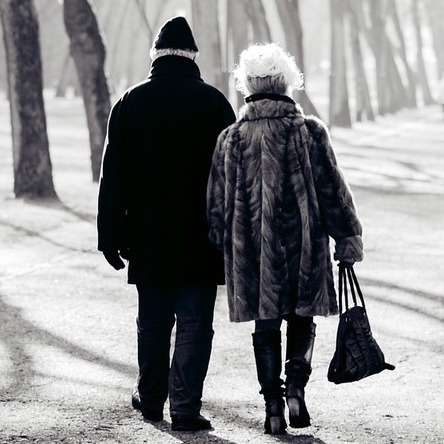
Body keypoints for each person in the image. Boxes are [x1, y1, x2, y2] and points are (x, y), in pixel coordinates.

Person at [207, 43, 363, 435]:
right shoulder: (309, 131)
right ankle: (296, 386)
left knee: (265, 324)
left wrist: (222, 243)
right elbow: (332, 191)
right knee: (301, 318)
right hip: (303, 247)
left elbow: (217, 204)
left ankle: (273, 404)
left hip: (252, 251)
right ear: (287, 83)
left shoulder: (231, 138)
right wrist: (347, 236)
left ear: (248, 85)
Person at [97, 16, 236, 431]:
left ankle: (152, 397)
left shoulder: (130, 101)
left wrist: (109, 236)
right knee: (195, 322)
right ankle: (186, 408)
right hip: (201, 236)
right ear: (192, 57)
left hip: (147, 234)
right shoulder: (215, 103)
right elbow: (231, 177)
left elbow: (113, 175)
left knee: (153, 322)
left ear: (155, 56)